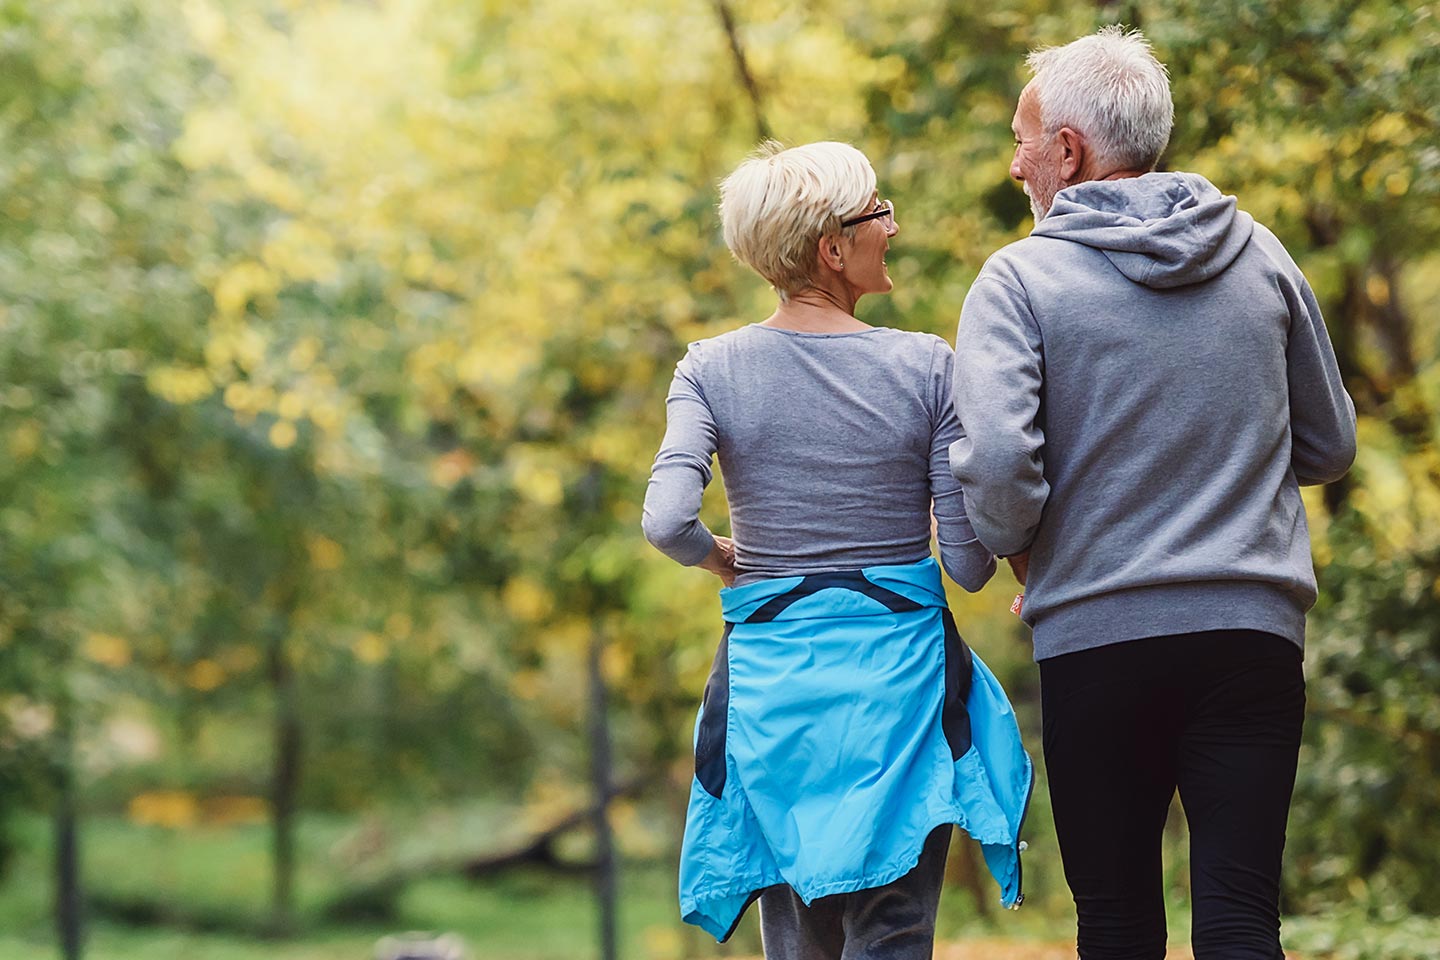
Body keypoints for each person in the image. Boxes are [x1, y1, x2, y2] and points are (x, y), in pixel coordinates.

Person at [949, 26, 1357, 960]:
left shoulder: (1018, 279)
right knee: (1242, 912)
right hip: (1251, 630)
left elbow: (1003, 469)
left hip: (1097, 634)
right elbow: (1329, 442)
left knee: (1119, 919)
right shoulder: (1258, 254)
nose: (1016, 166)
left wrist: (1024, 544)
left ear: (1069, 149)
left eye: (1022, 140)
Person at [643, 140, 1033, 958]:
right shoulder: (926, 366)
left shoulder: (710, 369)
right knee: (893, 931)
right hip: (900, 692)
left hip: (773, 692)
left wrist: (723, 558)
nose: (891, 226)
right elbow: (966, 565)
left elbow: (667, 521)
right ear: (832, 248)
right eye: (877, 213)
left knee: (798, 933)